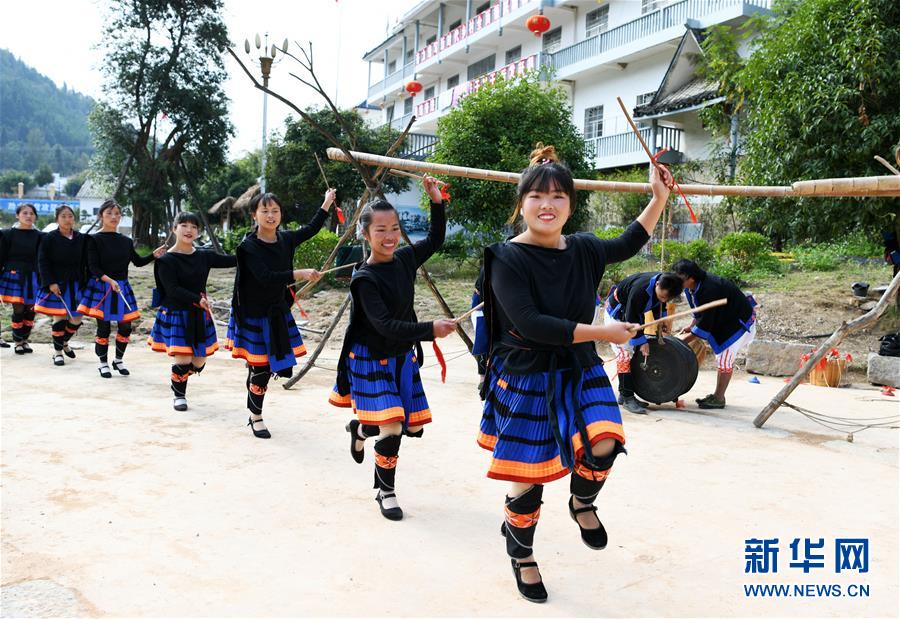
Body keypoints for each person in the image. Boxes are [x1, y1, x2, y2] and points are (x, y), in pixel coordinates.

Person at [477, 144, 672, 602]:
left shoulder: (583, 248)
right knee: (527, 475)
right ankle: (522, 553)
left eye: (559, 196)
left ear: (571, 204)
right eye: (537, 197)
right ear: (521, 204)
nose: (548, 205)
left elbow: (627, 242)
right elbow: (531, 323)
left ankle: (581, 501)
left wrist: (658, 197)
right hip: (526, 374)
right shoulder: (506, 257)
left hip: (579, 366)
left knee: (605, 440)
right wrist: (603, 331)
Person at [329, 176, 455, 521]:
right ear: (366, 235)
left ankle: (361, 428)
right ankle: (386, 491)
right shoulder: (364, 279)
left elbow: (436, 238)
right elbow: (384, 324)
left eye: (395, 229)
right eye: (381, 230)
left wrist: (435, 200)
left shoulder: (404, 261)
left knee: (410, 427)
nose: (389, 237)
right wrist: (431, 329)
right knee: (394, 427)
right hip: (370, 359)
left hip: (401, 357)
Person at [225, 189, 335, 438]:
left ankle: (253, 398)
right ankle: (256, 417)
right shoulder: (248, 247)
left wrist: (326, 202)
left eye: (275, 211)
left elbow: (311, 228)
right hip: (252, 313)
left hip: (276, 311)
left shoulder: (285, 239)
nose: (270, 215)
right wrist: (300, 273)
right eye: (264, 211)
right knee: (262, 368)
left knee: (262, 367)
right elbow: (264, 277)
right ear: (254, 215)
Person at [148, 212, 237, 411]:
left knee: (198, 361)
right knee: (183, 358)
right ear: (174, 229)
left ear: (198, 231)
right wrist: (199, 299)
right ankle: (179, 395)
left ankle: (178, 378)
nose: (189, 230)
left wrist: (252, 247)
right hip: (177, 313)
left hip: (199, 314)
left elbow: (233, 260)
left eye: (194, 227)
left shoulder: (204, 256)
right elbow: (172, 290)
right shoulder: (166, 261)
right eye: (184, 225)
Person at [76, 199, 165, 378]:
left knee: (125, 326)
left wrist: (153, 255)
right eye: (109, 213)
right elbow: (93, 267)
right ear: (101, 215)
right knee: (104, 328)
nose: (113, 217)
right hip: (102, 286)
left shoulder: (125, 240)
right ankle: (103, 363)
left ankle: (118, 360)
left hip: (122, 286)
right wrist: (109, 280)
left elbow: (138, 262)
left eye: (117, 214)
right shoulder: (92, 239)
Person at [673, 259, 757, 409]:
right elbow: (699, 311)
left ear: (691, 278)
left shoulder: (710, 289)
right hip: (723, 316)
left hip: (737, 321)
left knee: (725, 358)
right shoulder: (690, 287)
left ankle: (719, 398)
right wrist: (691, 326)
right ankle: (717, 396)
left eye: (680, 280)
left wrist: (683, 342)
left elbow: (706, 321)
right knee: (722, 358)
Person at [603, 271, 683, 413]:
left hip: (632, 317)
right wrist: (641, 341)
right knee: (625, 354)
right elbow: (631, 317)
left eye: (667, 298)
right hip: (618, 317)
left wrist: (662, 320)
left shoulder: (664, 284)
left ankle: (624, 393)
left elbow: (660, 304)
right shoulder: (640, 289)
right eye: (663, 296)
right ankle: (627, 397)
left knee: (629, 353)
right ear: (657, 284)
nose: (664, 300)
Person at [35, 204, 88, 366]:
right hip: (57, 284)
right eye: (63, 216)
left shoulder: (81, 238)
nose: (67, 219)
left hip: (77, 284)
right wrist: (50, 282)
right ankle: (58, 352)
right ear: (57, 219)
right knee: (59, 319)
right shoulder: (49, 238)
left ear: (74, 219)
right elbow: (42, 262)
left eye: (70, 216)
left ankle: (63, 342)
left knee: (76, 319)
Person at [0, 203, 42, 355]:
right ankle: (17, 341)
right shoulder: (7, 234)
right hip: (14, 274)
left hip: (34, 276)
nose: (28, 216)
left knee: (31, 310)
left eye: (31, 213)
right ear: (17, 215)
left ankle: (25, 340)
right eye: (25, 213)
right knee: (18, 309)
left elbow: (42, 258)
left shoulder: (40, 236)